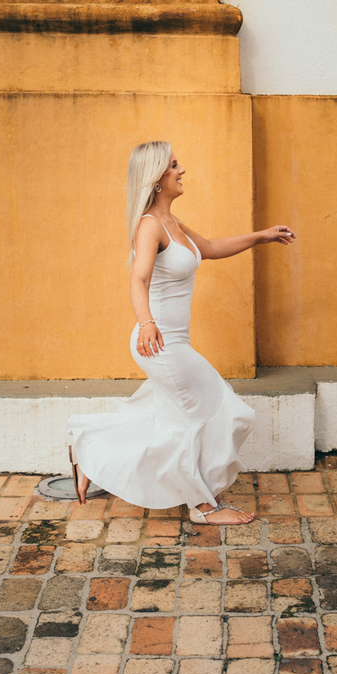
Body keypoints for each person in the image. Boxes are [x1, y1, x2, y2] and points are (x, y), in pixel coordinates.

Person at [67, 141, 295, 525]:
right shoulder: (150, 226)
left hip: (172, 343)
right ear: (157, 177)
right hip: (158, 343)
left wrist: (262, 236)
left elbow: (209, 247)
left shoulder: (173, 223)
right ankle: (203, 506)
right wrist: (146, 322)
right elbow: (137, 279)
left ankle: (90, 450)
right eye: (174, 165)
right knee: (216, 414)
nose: (182, 170)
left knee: (180, 420)